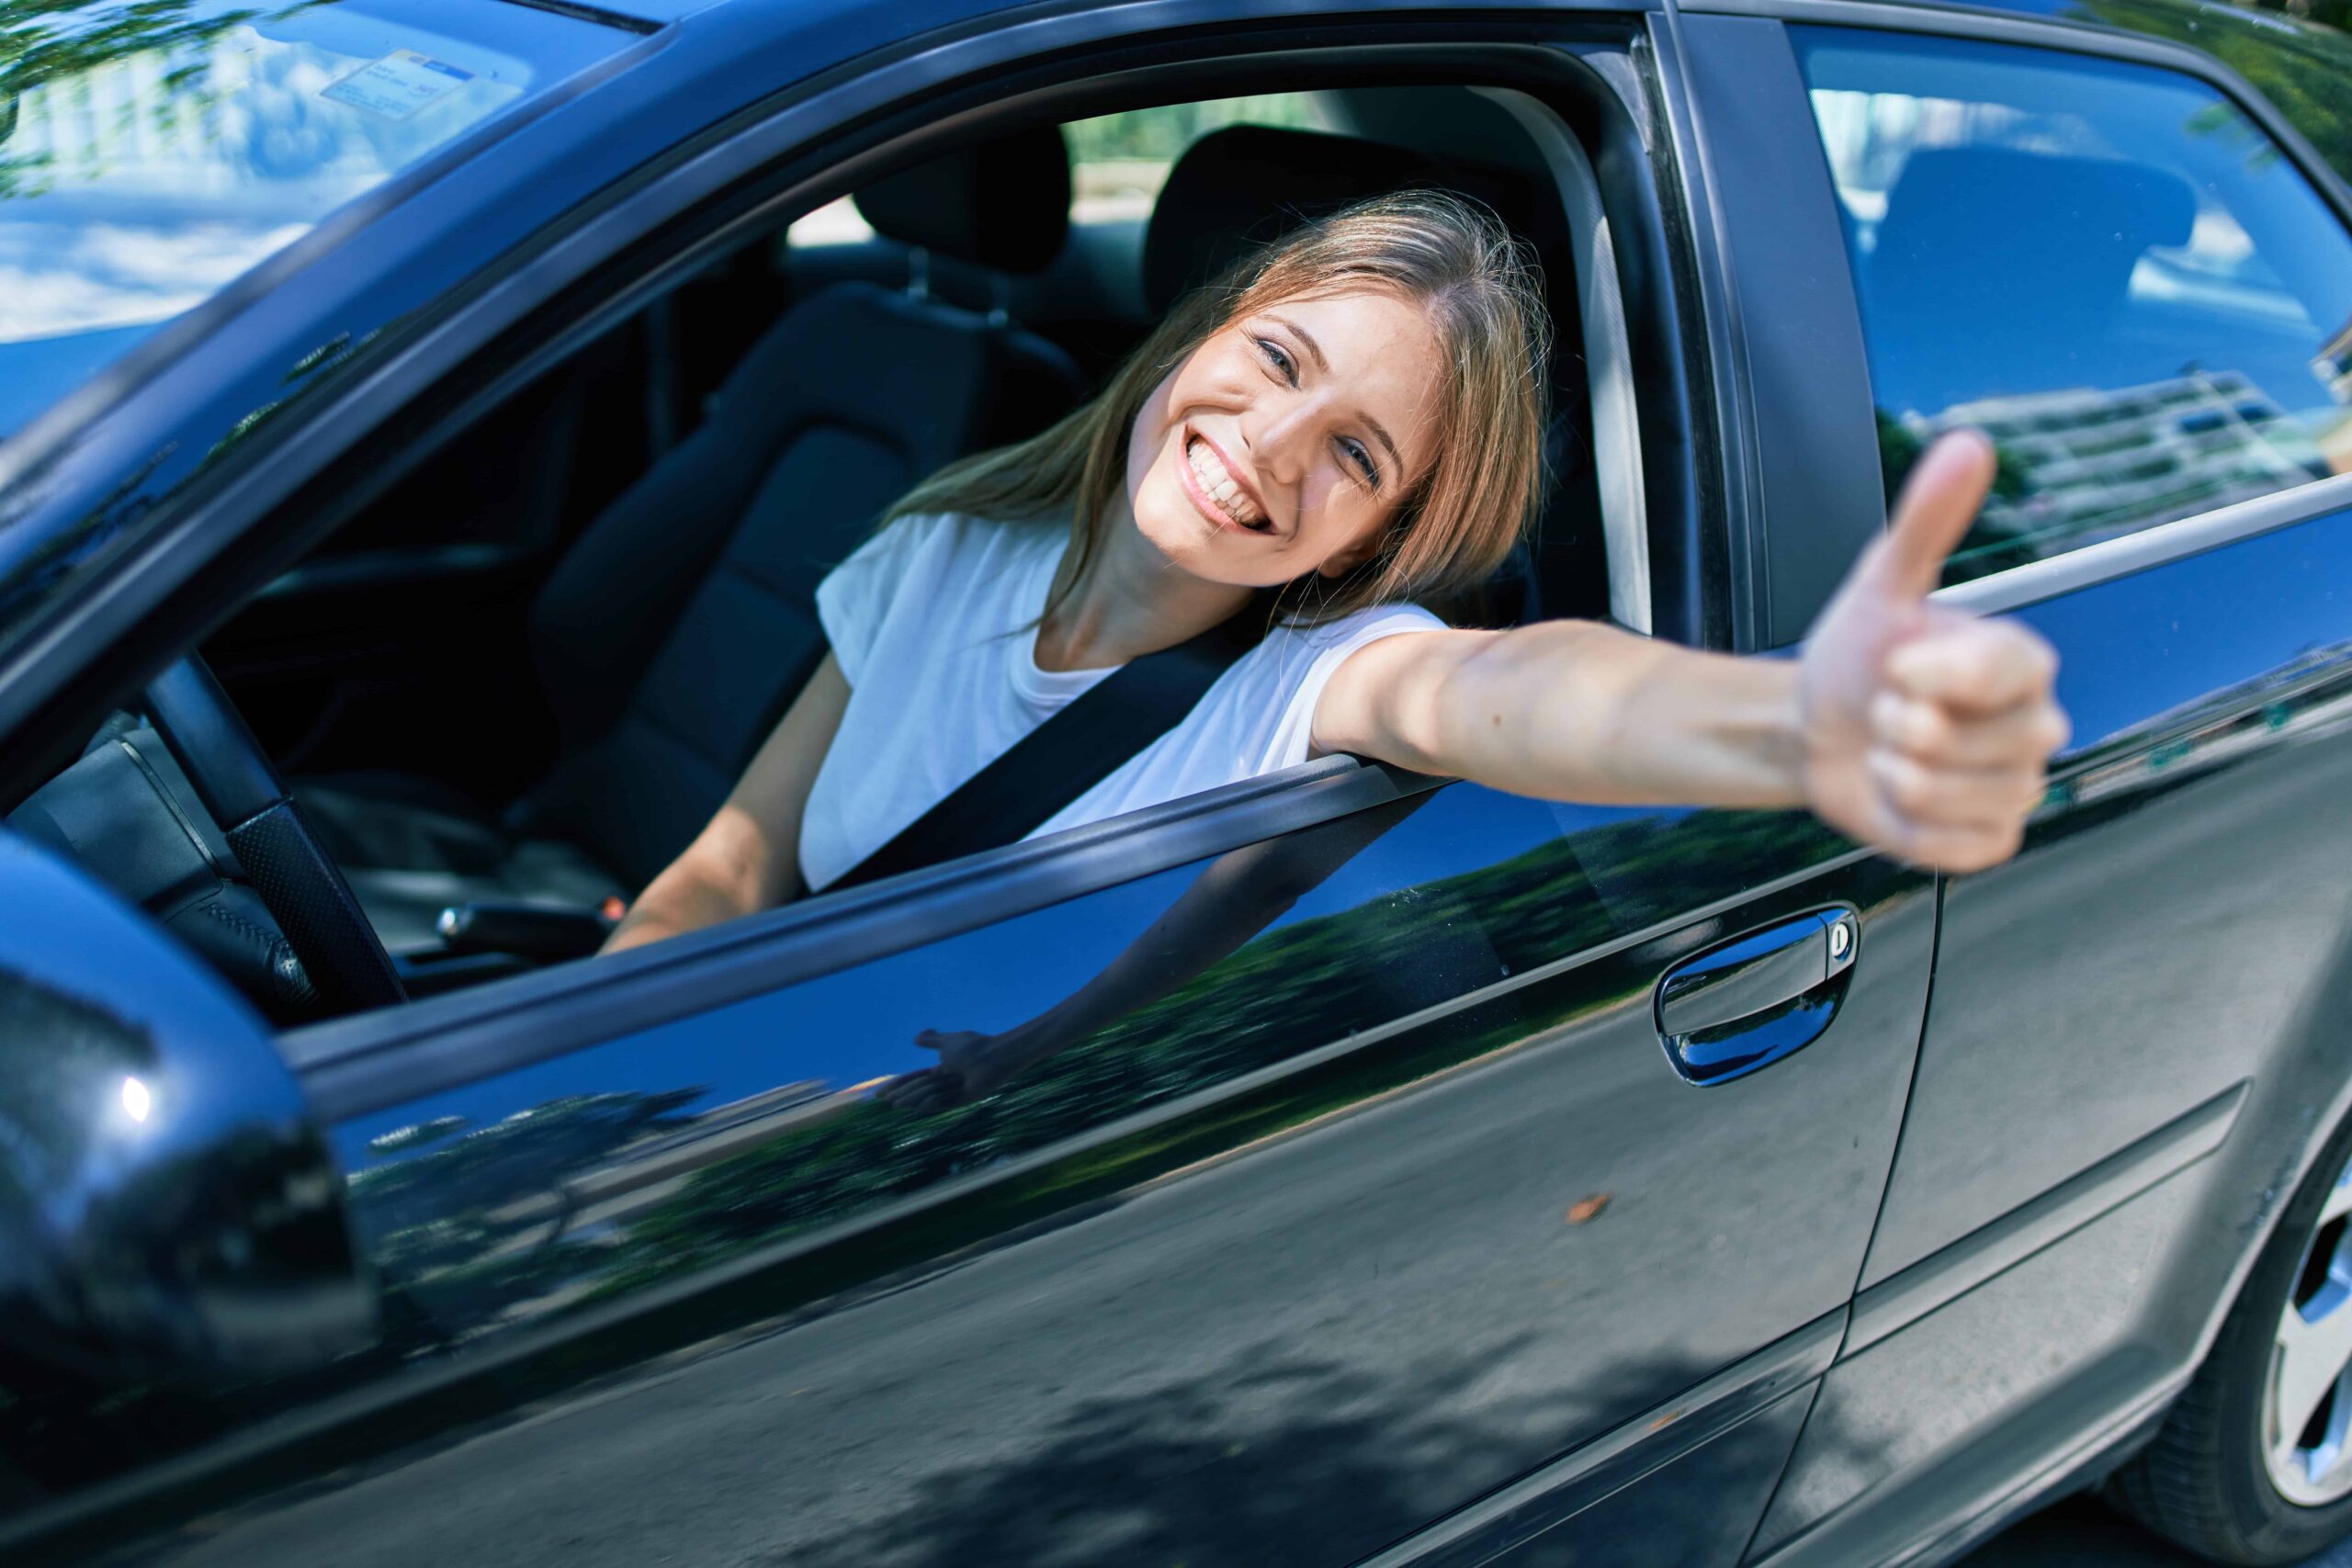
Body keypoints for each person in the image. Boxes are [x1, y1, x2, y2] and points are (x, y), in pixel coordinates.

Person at [601, 190, 2066, 961]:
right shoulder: (943, 548)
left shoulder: (1312, 686)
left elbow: (1506, 690)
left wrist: (1787, 724)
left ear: (1381, 535)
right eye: (1278, 362)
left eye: (1358, 455)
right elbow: (735, 866)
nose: (1270, 451)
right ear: (1204, 332)